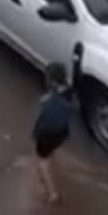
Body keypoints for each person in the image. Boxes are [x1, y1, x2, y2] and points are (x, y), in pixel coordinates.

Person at [33, 63, 73, 205]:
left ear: (52, 82)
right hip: (61, 133)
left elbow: (41, 118)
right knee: (51, 151)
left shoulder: (47, 100)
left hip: (46, 134)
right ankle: (52, 157)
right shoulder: (70, 92)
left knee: (42, 162)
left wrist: (35, 133)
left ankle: (52, 194)